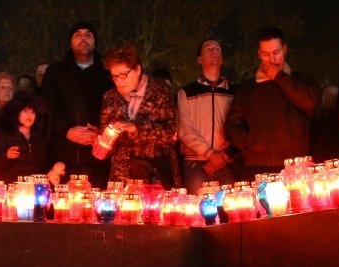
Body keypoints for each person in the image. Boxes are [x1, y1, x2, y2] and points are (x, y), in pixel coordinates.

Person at [224, 26, 320, 181]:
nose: (272, 59)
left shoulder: (302, 80)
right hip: (256, 167)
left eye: (276, 53)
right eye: (266, 54)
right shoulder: (247, 89)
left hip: (295, 166)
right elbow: (231, 127)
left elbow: (311, 102)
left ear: (285, 49)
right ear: (259, 54)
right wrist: (251, 141)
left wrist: (279, 77)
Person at [39, 21, 112, 189]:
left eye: (88, 34)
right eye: (78, 34)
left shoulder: (107, 72)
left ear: (95, 41)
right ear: (71, 41)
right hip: (64, 157)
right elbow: (47, 108)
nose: (83, 38)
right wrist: (66, 130)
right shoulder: (56, 72)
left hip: (99, 158)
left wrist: (102, 132)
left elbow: (116, 108)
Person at [100, 42, 180, 188]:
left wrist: (135, 127)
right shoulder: (110, 97)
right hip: (122, 178)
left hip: (156, 176)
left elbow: (169, 132)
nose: (119, 81)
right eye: (114, 77)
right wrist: (102, 142)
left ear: (137, 69)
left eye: (123, 75)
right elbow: (106, 136)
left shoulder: (160, 90)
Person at [177, 38, 235, 194]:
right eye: (208, 49)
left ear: (222, 59)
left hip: (225, 163)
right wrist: (209, 152)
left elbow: (239, 127)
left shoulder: (234, 93)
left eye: (217, 49)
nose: (214, 51)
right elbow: (184, 130)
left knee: (229, 211)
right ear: (199, 59)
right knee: (195, 211)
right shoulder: (187, 93)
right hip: (195, 164)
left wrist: (222, 156)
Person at [0, 89, 64, 183]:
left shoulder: (40, 138)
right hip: (12, 188)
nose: (29, 115)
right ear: (16, 113)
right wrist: (6, 155)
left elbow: (43, 164)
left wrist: (53, 171)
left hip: (35, 187)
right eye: (25, 111)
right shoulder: (6, 135)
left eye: (32, 112)